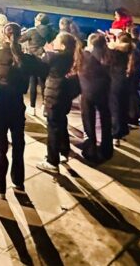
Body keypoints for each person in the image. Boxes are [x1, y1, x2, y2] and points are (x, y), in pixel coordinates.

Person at [0, 23, 39, 198]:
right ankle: (18, 181)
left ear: (5, 36)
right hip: (17, 103)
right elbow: (41, 70)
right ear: (20, 36)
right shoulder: (28, 59)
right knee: (18, 142)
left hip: (0, 102)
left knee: (0, 144)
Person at [38, 32, 79, 173]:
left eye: (56, 39)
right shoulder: (71, 57)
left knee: (53, 127)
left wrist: (46, 52)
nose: (53, 41)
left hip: (54, 94)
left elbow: (40, 68)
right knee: (61, 123)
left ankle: (52, 161)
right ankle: (63, 151)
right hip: (64, 96)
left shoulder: (53, 56)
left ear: (62, 45)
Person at [78, 33, 112, 163]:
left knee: (88, 121)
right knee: (105, 120)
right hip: (104, 90)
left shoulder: (85, 56)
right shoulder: (109, 55)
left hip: (87, 91)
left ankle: (90, 149)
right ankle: (107, 149)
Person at [108, 33, 136, 145]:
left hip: (115, 81)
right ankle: (122, 131)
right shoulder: (131, 51)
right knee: (123, 108)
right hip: (126, 82)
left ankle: (116, 134)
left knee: (115, 108)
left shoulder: (116, 51)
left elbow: (108, 50)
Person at [127, 26, 140, 126]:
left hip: (133, 70)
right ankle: (138, 114)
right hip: (138, 70)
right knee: (135, 92)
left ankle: (133, 115)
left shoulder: (132, 43)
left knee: (131, 92)